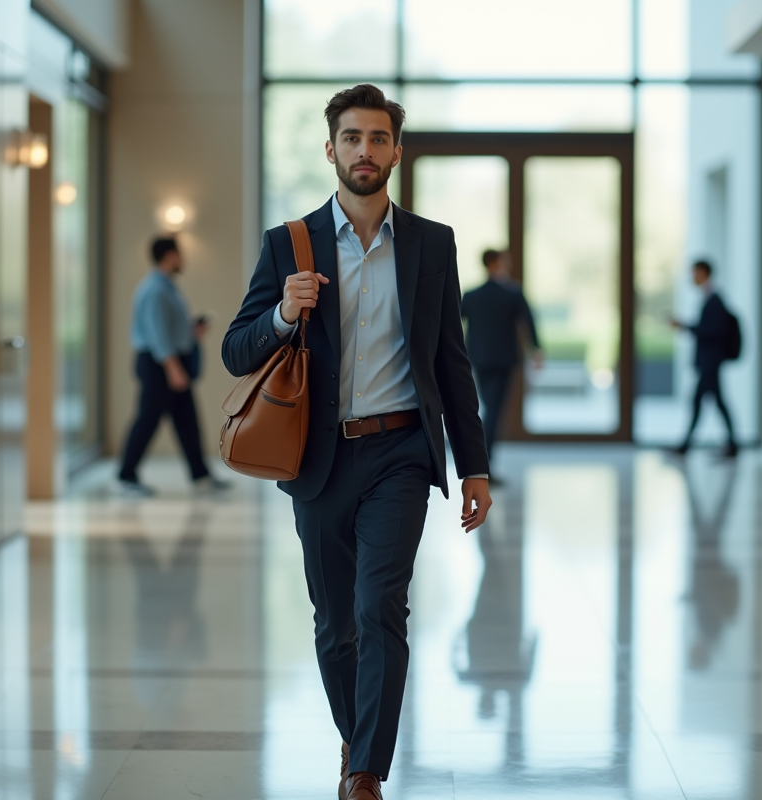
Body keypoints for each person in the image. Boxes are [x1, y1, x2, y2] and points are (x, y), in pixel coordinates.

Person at [222, 84, 492, 800]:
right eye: (352, 138)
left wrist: (475, 466)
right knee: (335, 621)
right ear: (330, 149)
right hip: (318, 457)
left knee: (380, 608)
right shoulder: (289, 243)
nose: (364, 150)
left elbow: (451, 361)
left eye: (377, 138)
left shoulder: (432, 243)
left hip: (401, 452)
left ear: (396, 152)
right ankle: (356, 736)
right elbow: (235, 351)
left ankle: (366, 771)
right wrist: (283, 314)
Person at [117, 236, 229, 495]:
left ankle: (201, 476)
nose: (183, 259)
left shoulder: (167, 287)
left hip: (168, 362)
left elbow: (168, 330)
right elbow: (158, 336)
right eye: (180, 254)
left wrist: (191, 331)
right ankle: (125, 476)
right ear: (169, 256)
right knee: (147, 420)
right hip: (160, 365)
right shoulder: (155, 290)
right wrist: (174, 369)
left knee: (187, 420)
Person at [460, 249, 542, 480]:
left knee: (490, 409)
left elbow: (455, 324)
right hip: (503, 360)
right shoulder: (513, 293)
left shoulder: (472, 295)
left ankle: (481, 465)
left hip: (478, 359)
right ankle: (482, 467)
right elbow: (529, 321)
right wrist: (536, 350)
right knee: (493, 413)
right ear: (498, 263)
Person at [670, 259, 738, 457]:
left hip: (711, 362)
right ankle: (729, 445)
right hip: (709, 362)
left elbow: (714, 331)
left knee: (703, 402)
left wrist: (685, 326)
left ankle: (687, 445)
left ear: (704, 273)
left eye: (695, 273)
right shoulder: (709, 298)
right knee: (712, 402)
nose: (693, 277)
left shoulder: (715, 300)